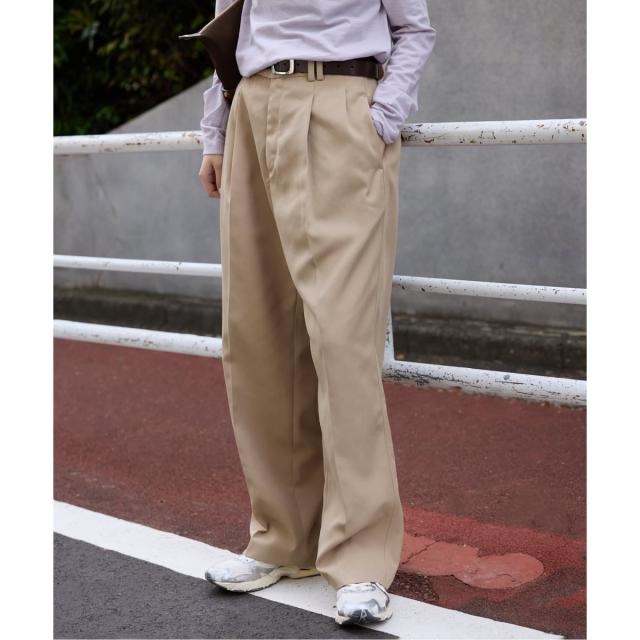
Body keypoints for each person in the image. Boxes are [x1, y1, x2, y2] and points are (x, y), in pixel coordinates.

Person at [197, 0, 436, 626]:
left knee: (343, 339)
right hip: (252, 106)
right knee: (256, 336)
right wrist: (216, 131)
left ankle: (359, 557)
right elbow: (230, 31)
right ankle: (284, 537)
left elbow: (413, 28)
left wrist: (382, 115)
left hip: (340, 106)